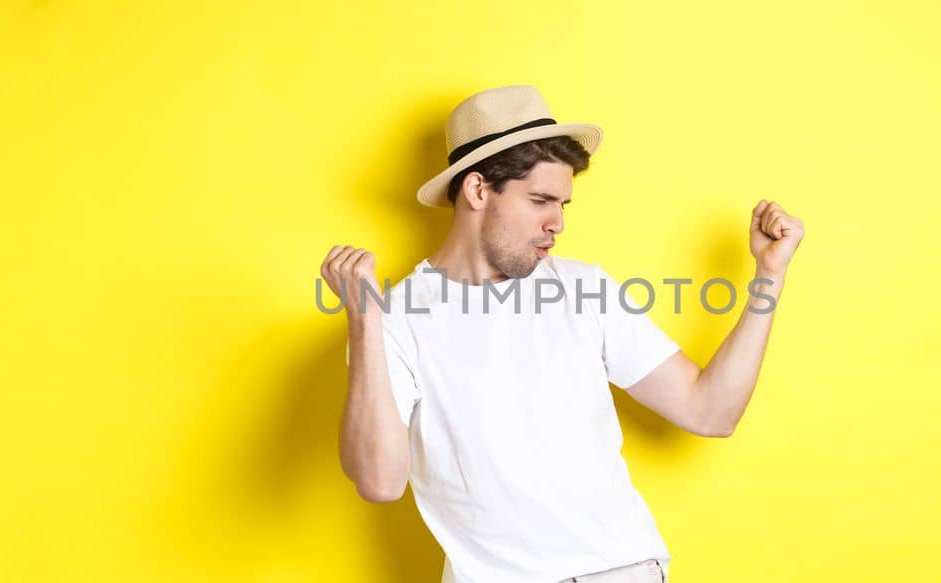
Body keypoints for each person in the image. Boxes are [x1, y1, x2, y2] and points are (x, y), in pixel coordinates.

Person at [319, 85, 804, 582]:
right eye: (540, 200)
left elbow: (711, 412)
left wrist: (769, 276)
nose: (558, 222)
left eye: (564, 203)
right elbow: (379, 481)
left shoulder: (583, 287)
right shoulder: (395, 318)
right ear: (478, 190)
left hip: (622, 572)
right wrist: (362, 319)